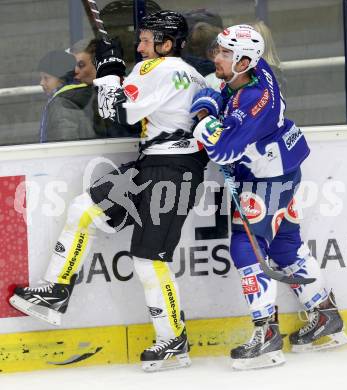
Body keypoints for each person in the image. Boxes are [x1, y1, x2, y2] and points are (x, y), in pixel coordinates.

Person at [10, 10, 208, 372]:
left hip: (170, 170)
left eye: (147, 40)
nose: (140, 46)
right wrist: (115, 71)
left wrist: (109, 70)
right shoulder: (193, 74)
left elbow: (114, 111)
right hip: (160, 167)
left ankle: (174, 340)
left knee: (150, 259)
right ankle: (55, 290)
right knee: (85, 209)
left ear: (166, 44)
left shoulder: (156, 69)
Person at [190, 24, 347, 370]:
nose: (217, 57)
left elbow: (222, 151)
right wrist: (215, 98)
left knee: (246, 248)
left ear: (245, 60)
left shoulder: (252, 101)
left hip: (265, 180)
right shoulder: (256, 71)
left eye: (225, 54)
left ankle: (267, 335)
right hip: (282, 168)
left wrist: (203, 117)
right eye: (218, 50)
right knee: (284, 245)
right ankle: (325, 316)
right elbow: (226, 92)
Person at [70, 38, 139, 138]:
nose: (75, 70)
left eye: (81, 65)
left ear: (98, 63)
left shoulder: (125, 93)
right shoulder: (91, 94)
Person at [38, 50, 96, 142]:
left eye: (46, 78)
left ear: (63, 79)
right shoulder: (78, 96)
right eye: (41, 78)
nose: (41, 83)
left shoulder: (61, 104)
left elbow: (64, 145)